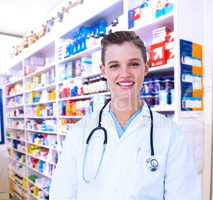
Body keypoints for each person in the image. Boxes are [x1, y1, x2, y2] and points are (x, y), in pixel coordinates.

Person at [49, 31, 201, 200]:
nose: (125, 73)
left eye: (134, 64)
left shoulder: (171, 134)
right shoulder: (79, 133)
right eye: (114, 65)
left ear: (146, 68)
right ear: (103, 71)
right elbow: (61, 194)